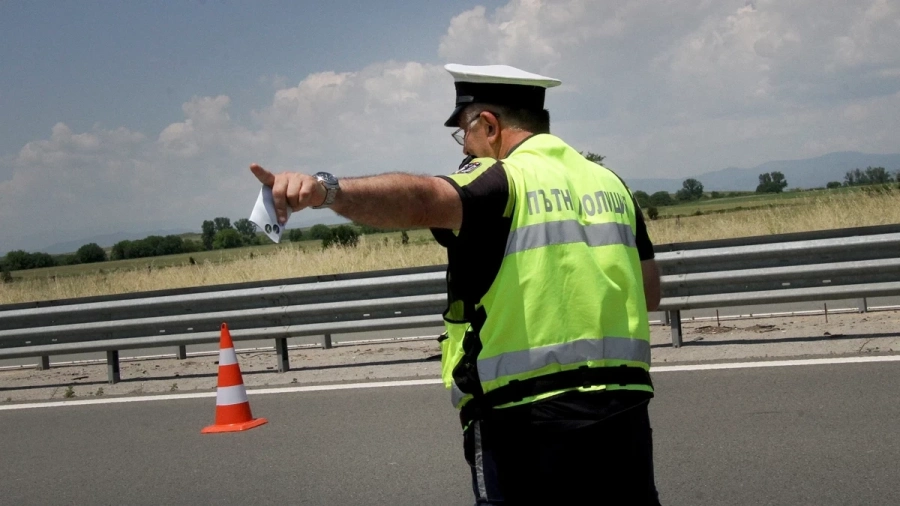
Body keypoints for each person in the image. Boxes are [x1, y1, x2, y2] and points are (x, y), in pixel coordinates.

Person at [250, 63, 662, 505]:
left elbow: (425, 199)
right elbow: (649, 293)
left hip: (525, 421)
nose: (463, 147)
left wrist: (326, 191)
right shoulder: (611, 184)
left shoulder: (503, 180)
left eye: (463, 133)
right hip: (625, 413)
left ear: (489, 125)